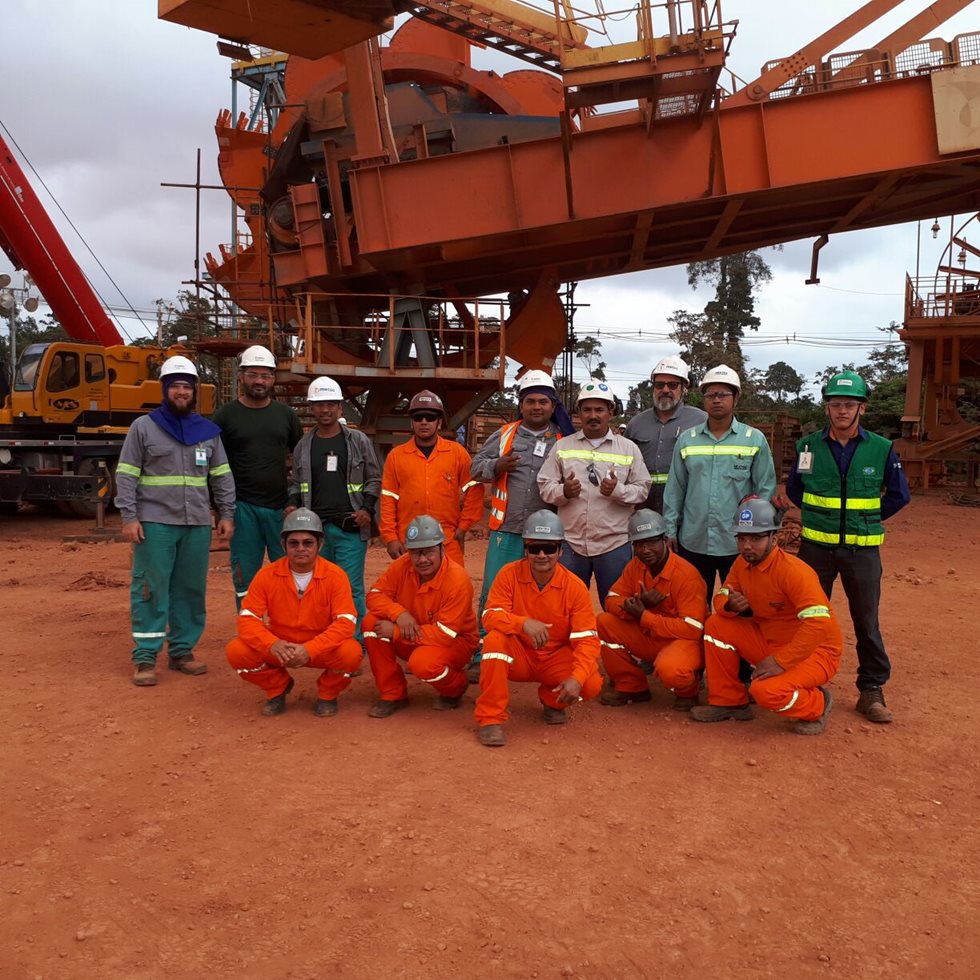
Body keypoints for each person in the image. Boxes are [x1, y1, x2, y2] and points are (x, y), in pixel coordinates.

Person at [785, 370, 910, 724]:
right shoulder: (807, 446)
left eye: (849, 404)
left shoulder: (882, 449)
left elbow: (899, 495)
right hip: (815, 550)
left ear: (862, 409)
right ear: (827, 408)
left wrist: (867, 519)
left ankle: (871, 690)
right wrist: (819, 518)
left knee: (866, 621)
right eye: (835, 404)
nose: (842, 411)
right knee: (808, 618)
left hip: (862, 551)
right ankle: (805, 686)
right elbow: (796, 489)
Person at [115, 355, 235, 687]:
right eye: (176, 386)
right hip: (154, 523)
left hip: (196, 523)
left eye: (187, 386)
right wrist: (129, 517)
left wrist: (226, 514)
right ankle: (145, 657)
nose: (182, 392)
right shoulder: (144, 427)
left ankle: (182, 651)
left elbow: (222, 476)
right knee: (151, 589)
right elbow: (125, 474)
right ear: (165, 389)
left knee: (191, 590)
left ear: (194, 391)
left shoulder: (207, 433)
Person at [690, 499, 842, 735]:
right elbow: (722, 594)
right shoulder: (742, 564)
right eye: (742, 538)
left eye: (755, 538)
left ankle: (818, 704)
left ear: (774, 538)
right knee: (717, 624)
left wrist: (781, 661)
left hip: (815, 652)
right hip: (769, 642)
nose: (747, 546)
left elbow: (818, 623)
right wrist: (728, 605)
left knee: (764, 691)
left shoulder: (793, 571)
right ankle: (728, 702)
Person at [469, 369, 574, 679]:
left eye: (543, 401)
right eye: (530, 401)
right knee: (493, 592)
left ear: (553, 405)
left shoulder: (563, 441)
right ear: (521, 404)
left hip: (547, 537)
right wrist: (496, 465)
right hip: (507, 529)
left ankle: (541, 652)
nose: (537, 407)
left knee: (543, 595)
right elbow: (476, 467)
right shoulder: (504, 435)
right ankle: (483, 652)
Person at [475, 510, 603, 747]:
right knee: (494, 640)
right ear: (526, 550)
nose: (542, 555)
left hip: (554, 659)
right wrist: (522, 623)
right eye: (534, 548)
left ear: (560, 551)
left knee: (591, 682)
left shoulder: (574, 587)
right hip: (519, 655)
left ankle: (552, 701)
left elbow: (587, 640)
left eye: (549, 548)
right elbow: (489, 616)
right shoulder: (508, 575)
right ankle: (490, 719)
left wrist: (576, 678)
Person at [225, 509, 362, 716]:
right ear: (283, 545)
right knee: (237, 650)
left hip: (319, 648)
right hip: (280, 647)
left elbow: (346, 623)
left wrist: (310, 649)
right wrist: (272, 644)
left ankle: (327, 694)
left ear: (320, 545)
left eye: (308, 543)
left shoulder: (336, 576)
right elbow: (247, 618)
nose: (301, 549)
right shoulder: (267, 575)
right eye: (293, 543)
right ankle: (277, 688)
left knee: (351, 653)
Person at [663, 364, 776, 599]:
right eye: (710, 394)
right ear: (703, 399)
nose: (716, 400)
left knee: (737, 606)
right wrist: (670, 529)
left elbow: (765, 490)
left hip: (737, 543)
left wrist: (760, 536)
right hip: (693, 541)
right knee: (693, 606)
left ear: (735, 398)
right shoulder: (687, 441)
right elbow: (675, 489)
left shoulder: (753, 440)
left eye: (723, 394)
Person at [537, 378, 651, 607]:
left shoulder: (628, 448)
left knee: (617, 608)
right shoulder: (563, 447)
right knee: (564, 607)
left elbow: (642, 489)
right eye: (587, 409)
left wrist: (617, 490)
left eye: (599, 409)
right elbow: (544, 485)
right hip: (570, 543)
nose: (593, 415)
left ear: (611, 412)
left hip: (613, 544)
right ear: (578, 412)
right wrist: (564, 491)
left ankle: (613, 643)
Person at [286, 376, 381, 636]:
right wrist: (293, 504)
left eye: (331, 404)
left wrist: (367, 509)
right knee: (318, 586)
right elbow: (296, 484)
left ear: (340, 407)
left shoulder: (358, 441)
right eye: (319, 404)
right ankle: (325, 637)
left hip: (350, 526)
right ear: (311, 408)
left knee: (351, 588)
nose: (325, 409)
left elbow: (373, 477)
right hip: (316, 531)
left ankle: (355, 639)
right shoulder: (304, 446)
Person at [213, 345, 303, 608]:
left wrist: (295, 500)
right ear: (241, 376)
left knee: (287, 572)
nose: (259, 381)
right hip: (242, 508)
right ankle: (250, 633)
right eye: (253, 374)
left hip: (280, 509)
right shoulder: (225, 416)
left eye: (265, 375)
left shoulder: (285, 415)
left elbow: (301, 459)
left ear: (273, 378)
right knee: (246, 577)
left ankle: (287, 627)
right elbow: (214, 467)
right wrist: (221, 510)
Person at [363, 515, 477, 717]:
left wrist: (397, 631)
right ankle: (393, 693)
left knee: (422, 663)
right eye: (416, 553)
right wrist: (399, 613)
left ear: (442, 548)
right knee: (371, 623)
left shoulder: (458, 580)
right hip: (415, 632)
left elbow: (445, 634)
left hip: (455, 642)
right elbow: (374, 595)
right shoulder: (402, 565)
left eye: (428, 552)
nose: (422, 559)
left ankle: (455, 687)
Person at [596, 509, 707, 711]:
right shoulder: (635, 566)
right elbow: (611, 599)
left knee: (671, 669)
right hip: (652, 635)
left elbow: (693, 629)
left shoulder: (686, 575)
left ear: (665, 540)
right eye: (639, 544)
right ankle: (632, 686)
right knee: (604, 621)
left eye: (651, 542)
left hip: (682, 641)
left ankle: (688, 692)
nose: (645, 549)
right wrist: (636, 606)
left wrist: (644, 616)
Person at [380, 390, 483, 566]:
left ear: (439, 422)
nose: (424, 422)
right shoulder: (396, 456)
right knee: (410, 590)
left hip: (447, 540)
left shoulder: (457, 453)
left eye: (430, 417)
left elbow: (473, 488)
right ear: (412, 423)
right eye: (418, 418)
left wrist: (463, 527)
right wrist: (390, 537)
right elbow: (388, 498)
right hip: (409, 540)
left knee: (453, 588)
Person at [625, 356, 707, 513]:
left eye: (673, 385)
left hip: (686, 510)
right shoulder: (636, 424)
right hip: (643, 510)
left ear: (684, 388)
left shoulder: (701, 421)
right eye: (659, 385)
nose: (665, 390)